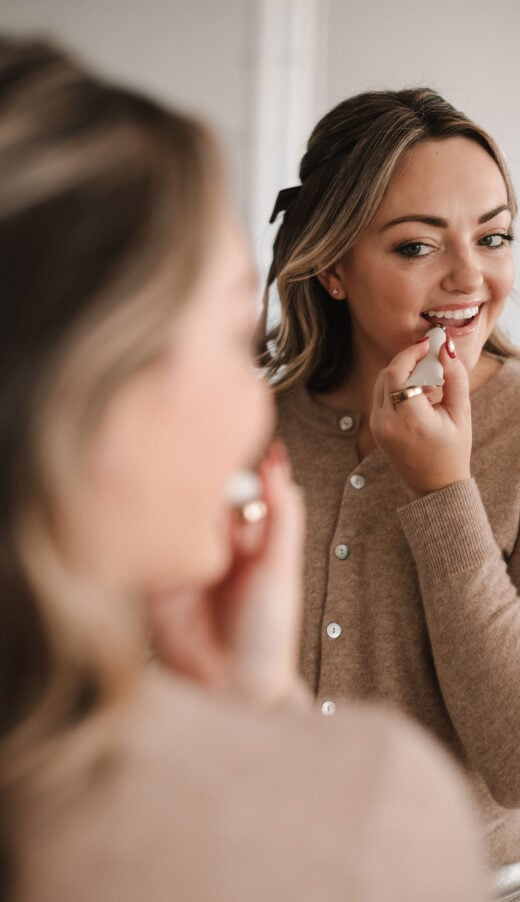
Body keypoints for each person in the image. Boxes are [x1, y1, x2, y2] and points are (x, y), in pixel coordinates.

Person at [0, 38, 489, 902]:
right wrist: (268, 731)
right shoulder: (368, 808)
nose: (469, 276)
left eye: (495, 235)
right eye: (236, 340)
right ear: (83, 388)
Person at [259, 88, 520, 902]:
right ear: (333, 267)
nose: (470, 277)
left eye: (493, 237)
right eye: (417, 246)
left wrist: (443, 492)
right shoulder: (249, 427)